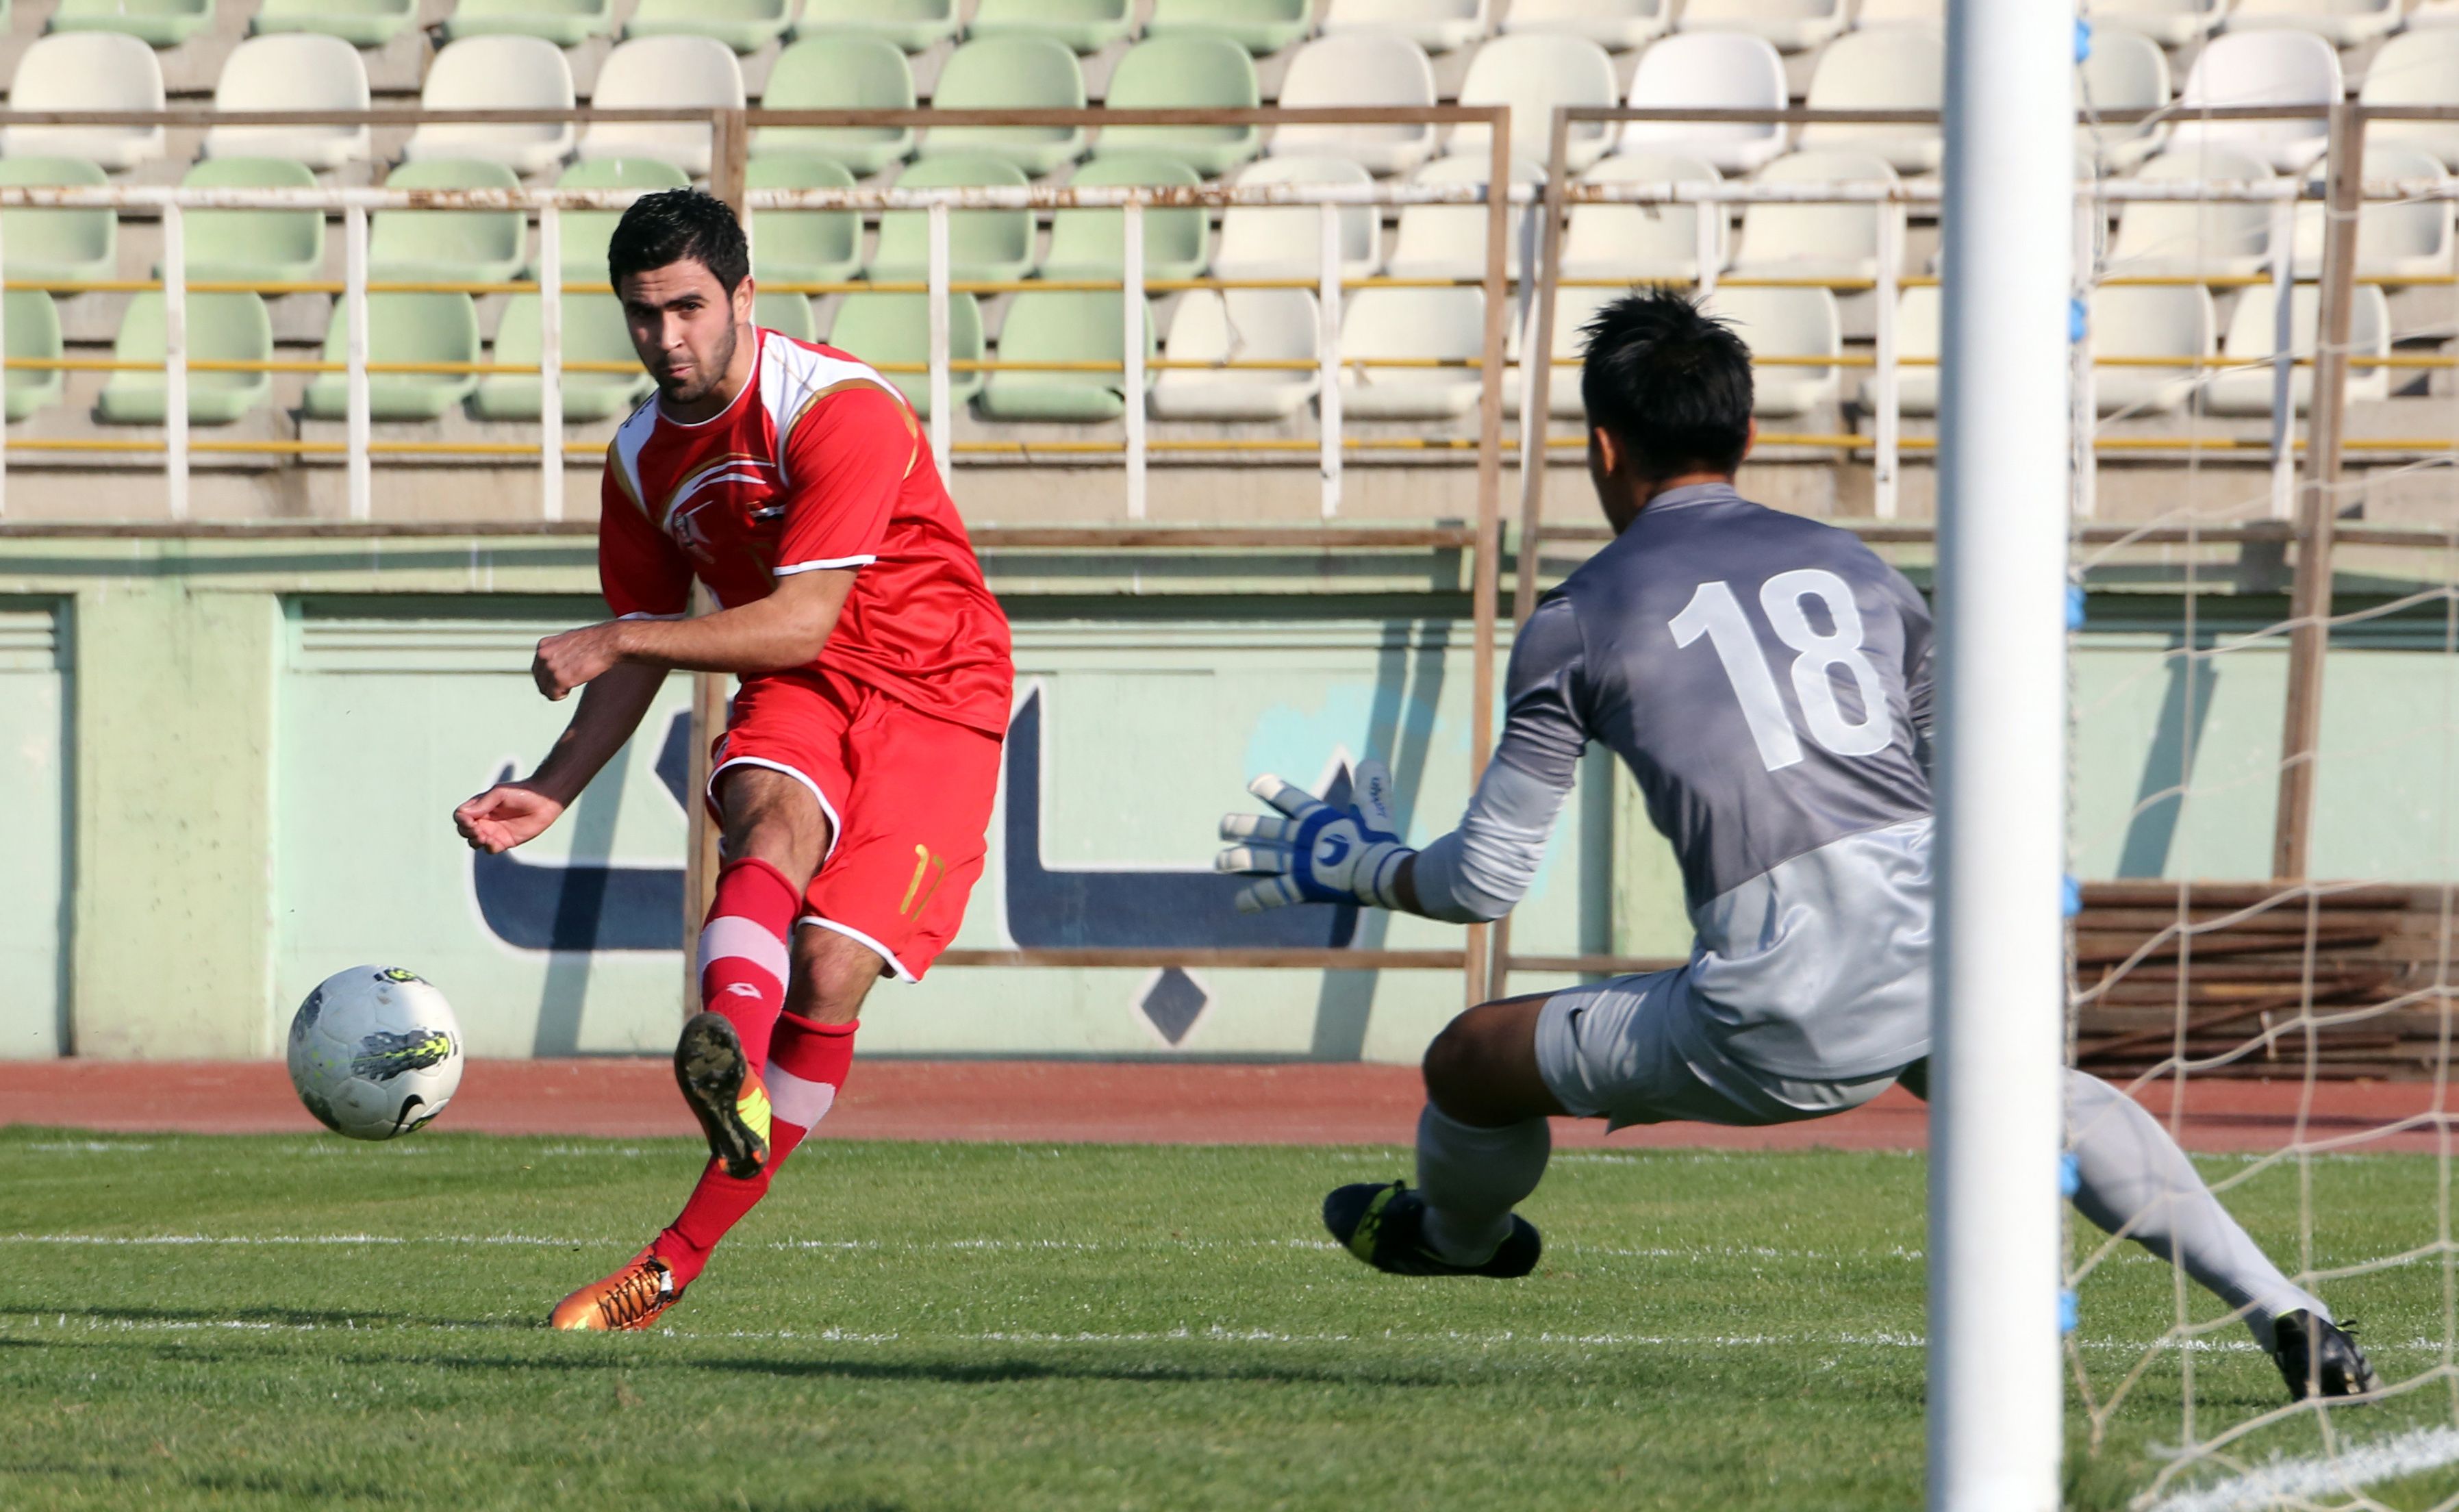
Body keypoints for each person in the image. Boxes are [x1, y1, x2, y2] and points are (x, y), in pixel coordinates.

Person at [1216, 288, 2380, 1402]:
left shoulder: (1577, 618)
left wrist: (1357, 862)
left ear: (1602, 448)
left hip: (1777, 1007)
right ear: (1748, 436)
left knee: (1470, 1057)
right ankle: (2284, 1306)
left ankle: (1457, 1239)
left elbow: (1484, 880)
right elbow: (1968, 779)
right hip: (1939, 940)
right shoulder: (1861, 570)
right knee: (2033, 1094)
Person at [453, 190, 1012, 1331]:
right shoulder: (639, 458)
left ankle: (673, 1261)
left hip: (937, 691)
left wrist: (622, 637)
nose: (666, 339)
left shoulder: (838, 409)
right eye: (642, 314)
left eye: (689, 309)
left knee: (830, 972)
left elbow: (793, 619)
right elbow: (648, 644)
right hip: (803, 683)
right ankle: (733, 1069)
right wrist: (553, 787)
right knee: (765, 821)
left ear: (745, 296)